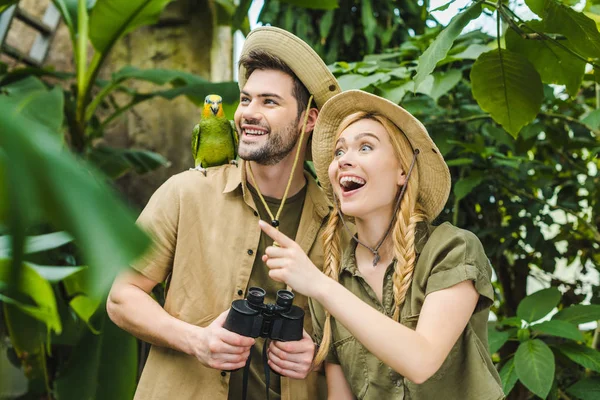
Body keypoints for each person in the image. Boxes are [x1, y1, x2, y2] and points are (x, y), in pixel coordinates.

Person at [106, 26, 341, 400]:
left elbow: (361, 330)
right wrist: (196, 340)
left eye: (269, 102)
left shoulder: (338, 220)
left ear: (309, 120)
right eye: (246, 99)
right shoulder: (186, 192)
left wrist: (318, 354)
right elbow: (121, 297)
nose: (248, 112)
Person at [258, 90, 505, 399]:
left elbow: (422, 359)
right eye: (339, 152)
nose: (345, 160)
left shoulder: (451, 249)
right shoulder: (334, 280)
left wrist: (319, 286)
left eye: (365, 147)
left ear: (402, 170)